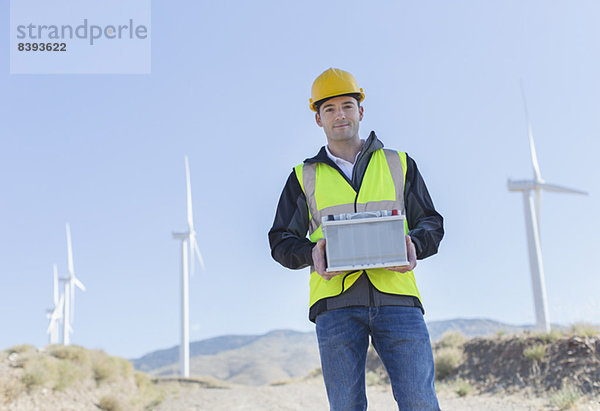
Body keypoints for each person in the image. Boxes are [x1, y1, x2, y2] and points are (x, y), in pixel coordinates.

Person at [268, 68, 444, 410]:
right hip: (335, 306)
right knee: (346, 405)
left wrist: (414, 244)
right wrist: (311, 253)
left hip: (398, 300)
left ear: (360, 111)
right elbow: (280, 240)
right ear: (318, 119)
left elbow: (432, 223)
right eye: (329, 109)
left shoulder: (399, 163)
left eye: (347, 106)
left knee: (420, 401)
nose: (340, 115)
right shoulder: (303, 177)